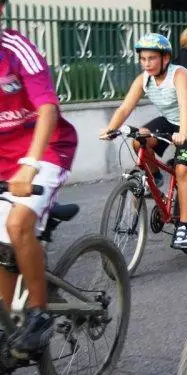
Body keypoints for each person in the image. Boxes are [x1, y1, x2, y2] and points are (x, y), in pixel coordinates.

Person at [0, 0, 78, 354]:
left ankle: (39, 312)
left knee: (17, 225)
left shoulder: (16, 49)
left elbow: (47, 107)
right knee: (3, 245)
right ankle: (8, 325)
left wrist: (30, 163)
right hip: (4, 159)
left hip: (45, 150)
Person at [99, 33, 187, 248]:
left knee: (182, 170)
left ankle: (185, 227)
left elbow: (185, 106)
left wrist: (183, 133)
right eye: (143, 59)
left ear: (165, 58)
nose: (146, 63)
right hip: (169, 121)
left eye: (151, 58)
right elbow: (125, 108)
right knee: (137, 140)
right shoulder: (144, 79)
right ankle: (155, 178)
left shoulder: (179, 74)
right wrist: (111, 129)